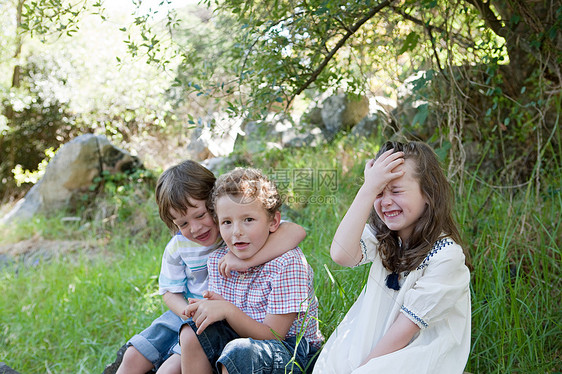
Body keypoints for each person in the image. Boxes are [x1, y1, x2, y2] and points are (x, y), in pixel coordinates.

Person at [116, 160, 306, 374]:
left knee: (186, 363)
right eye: (183, 224)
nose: (196, 228)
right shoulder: (199, 251)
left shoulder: (243, 237)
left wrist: (245, 261)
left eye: (200, 215)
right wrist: (189, 312)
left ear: (212, 206)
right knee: (141, 356)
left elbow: (295, 231)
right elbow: (170, 293)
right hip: (190, 312)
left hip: (244, 327)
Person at [313, 141, 471, 374]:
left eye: (396, 191)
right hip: (373, 341)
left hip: (416, 353)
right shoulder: (385, 236)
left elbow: (404, 331)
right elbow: (340, 254)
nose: (385, 201)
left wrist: (363, 369)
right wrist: (367, 188)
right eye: (379, 192)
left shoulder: (446, 256)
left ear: (428, 193)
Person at [178, 167, 324, 374]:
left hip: (294, 353)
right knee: (191, 332)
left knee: (239, 352)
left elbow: (274, 335)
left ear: (273, 222)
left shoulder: (288, 263)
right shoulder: (219, 260)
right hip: (243, 342)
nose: (237, 231)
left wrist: (227, 309)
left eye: (248, 220)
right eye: (227, 222)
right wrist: (209, 308)